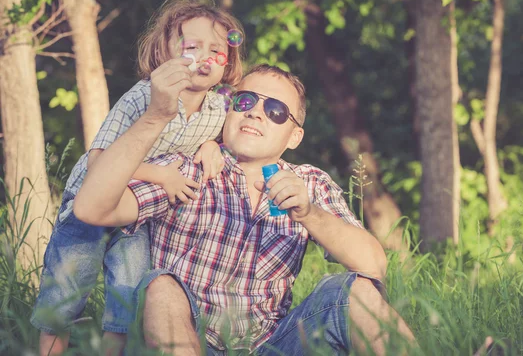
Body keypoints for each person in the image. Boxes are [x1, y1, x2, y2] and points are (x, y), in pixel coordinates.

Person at [73, 64, 417, 355]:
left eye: (276, 110)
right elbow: (92, 210)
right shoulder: (187, 168)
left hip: (273, 344)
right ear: (229, 110)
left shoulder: (310, 183)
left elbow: (374, 265)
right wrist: (155, 117)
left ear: (294, 136)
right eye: (246, 100)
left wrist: (309, 213)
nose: (255, 112)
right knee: (160, 287)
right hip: (190, 338)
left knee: (353, 289)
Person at [30, 0, 244, 356]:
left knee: (127, 295)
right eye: (192, 46)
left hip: (138, 213)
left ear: (227, 61)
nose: (205, 57)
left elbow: (222, 140)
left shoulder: (218, 108)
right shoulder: (142, 97)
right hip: (91, 200)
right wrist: (162, 176)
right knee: (67, 287)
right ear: (165, 53)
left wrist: (212, 145)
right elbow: (98, 159)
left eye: (216, 50)